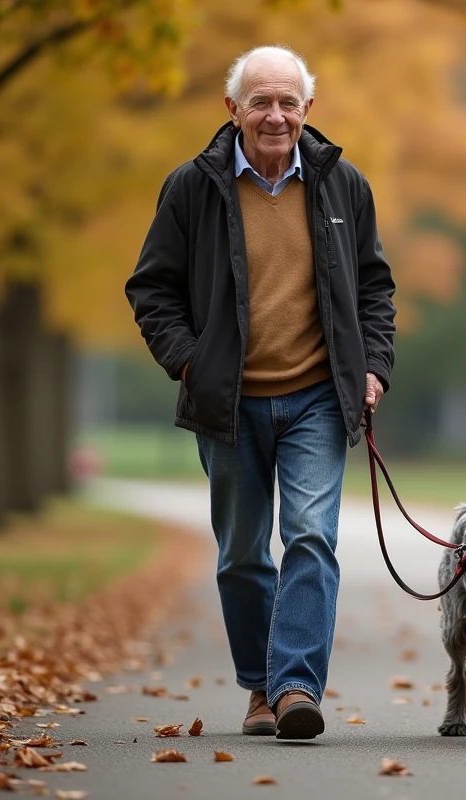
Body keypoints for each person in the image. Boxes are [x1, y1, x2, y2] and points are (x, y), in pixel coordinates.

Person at [125, 44, 396, 741]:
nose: (275, 116)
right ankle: (260, 688)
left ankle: (296, 686)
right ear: (233, 109)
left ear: (308, 108)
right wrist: (190, 363)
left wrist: (373, 367)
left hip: (318, 398)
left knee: (311, 536)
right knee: (243, 554)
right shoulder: (192, 187)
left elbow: (374, 288)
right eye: (261, 102)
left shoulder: (344, 185)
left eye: (287, 102)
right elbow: (152, 288)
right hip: (228, 403)